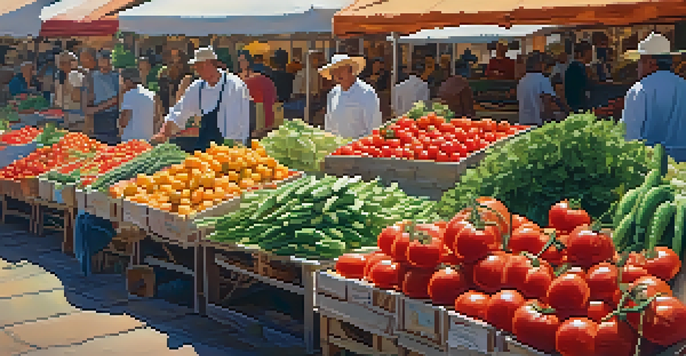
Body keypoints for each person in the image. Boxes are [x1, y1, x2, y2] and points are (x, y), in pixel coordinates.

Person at [150, 46, 250, 150]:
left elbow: (238, 121)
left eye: (199, 66)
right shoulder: (198, 86)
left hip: (229, 147)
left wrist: (234, 147)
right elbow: (180, 111)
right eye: (195, 67)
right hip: (205, 145)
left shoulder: (233, 85)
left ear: (210, 64)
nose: (197, 70)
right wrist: (163, 133)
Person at [621, 33, 686, 162]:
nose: (637, 66)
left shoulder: (639, 89)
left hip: (650, 165)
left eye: (640, 61)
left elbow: (629, 135)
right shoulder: (683, 85)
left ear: (651, 63)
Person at [319, 54, 381, 139]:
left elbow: (374, 126)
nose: (338, 74)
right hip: (339, 147)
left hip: (360, 148)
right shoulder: (333, 94)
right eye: (335, 71)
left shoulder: (366, 92)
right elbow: (329, 126)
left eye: (341, 69)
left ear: (351, 70)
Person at [517, 51, 558, 126]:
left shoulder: (522, 81)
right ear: (537, 65)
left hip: (523, 123)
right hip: (538, 123)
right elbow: (547, 102)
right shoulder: (543, 80)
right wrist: (551, 119)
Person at [87, 50, 120, 144]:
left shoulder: (116, 76)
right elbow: (90, 97)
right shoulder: (93, 76)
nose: (103, 68)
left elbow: (118, 98)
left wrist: (97, 108)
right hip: (98, 116)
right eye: (101, 62)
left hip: (112, 115)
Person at [119, 68, 155, 142]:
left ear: (128, 81)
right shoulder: (151, 94)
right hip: (148, 140)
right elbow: (158, 118)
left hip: (131, 142)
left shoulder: (129, 95)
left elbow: (124, 122)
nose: (121, 84)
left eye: (122, 81)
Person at [55, 52, 85, 131]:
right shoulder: (63, 75)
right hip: (69, 114)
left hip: (77, 115)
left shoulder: (75, 75)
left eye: (62, 63)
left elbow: (76, 97)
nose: (60, 66)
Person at [564, 41, 593, 113]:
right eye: (590, 53)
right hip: (577, 104)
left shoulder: (573, 66)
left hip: (575, 103)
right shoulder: (578, 67)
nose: (591, 56)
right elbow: (585, 84)